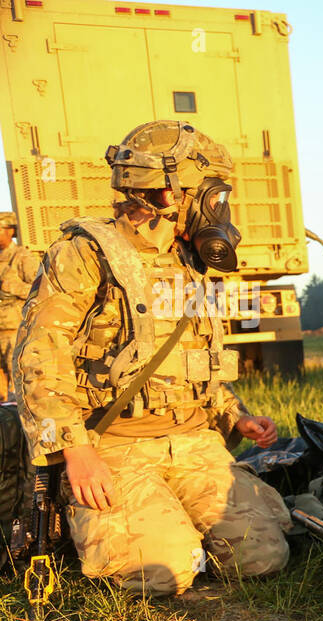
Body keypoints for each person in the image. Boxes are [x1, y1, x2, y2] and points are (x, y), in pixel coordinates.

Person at [13, 120, 292, 596]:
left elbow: (191, 357)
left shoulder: (191, 260)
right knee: (164, 572)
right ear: (166, 194)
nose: (219, 208)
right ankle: (85, 512)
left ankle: (166, 515)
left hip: (191, 440)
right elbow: (38, 357)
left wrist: (234, 416)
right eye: (210, 193)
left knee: (263, 557)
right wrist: (76, 453)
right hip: (111, 445)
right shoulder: (84, 253)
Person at [0, 211, 41, 400]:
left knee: (16, 373)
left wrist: (12, 287)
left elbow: (40, 289)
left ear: (10, 231)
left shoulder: (22, 257)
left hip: (13, 328)